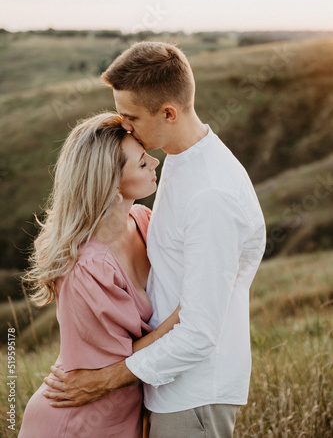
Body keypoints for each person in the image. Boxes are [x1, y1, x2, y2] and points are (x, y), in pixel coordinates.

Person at [43, 42, 266, 438]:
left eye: (130, 117)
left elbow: (198, 333)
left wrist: (104, 380)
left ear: (168, 113)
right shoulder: (180, 162)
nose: (124, 126)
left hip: (194, 393)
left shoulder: (211, 195)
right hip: (166, 388)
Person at [18, 112, 181, 438]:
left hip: (124, 413)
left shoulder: (144, 219)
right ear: (111, 181)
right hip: (77, 421)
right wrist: (186, 316)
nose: (155, 162)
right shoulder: (86, 268)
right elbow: (113, 366)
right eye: (141, 161)